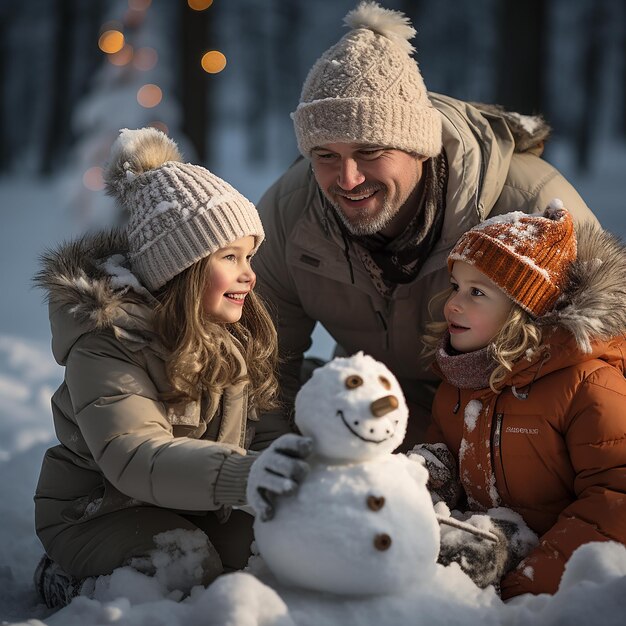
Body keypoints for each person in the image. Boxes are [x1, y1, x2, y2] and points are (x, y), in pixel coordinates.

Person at [253, 0, 599, 448]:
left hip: (506, 431)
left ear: (420, 147)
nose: (348, 179)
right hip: (373, 418)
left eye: (371, 152)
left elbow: (596, 371)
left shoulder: (528, 208)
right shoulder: (291, 211)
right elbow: (262, 364)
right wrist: (281, 466)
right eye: (326, 156)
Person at [32, 127, 294, 608]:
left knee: (273, 552)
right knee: (182, 565)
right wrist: (244, 475)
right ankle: (72, 580)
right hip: (99, 511)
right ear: (182, 267)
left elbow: (266, 425)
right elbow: (133, 454)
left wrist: (291, 470)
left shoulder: (233, 336)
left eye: (250, 256)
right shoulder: (108, 346)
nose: (249, 273)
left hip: (191, 502)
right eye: (230, 257)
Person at [413, 201, 626, 599]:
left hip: (556, 578)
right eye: (456, 287)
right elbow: (446, 452)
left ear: (525, 312)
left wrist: (529, 582)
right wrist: (427, 478)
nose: (454, 304)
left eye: (477, 292)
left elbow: (615, 498)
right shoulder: (459, 382)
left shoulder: (588, 386)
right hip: (490, 550)